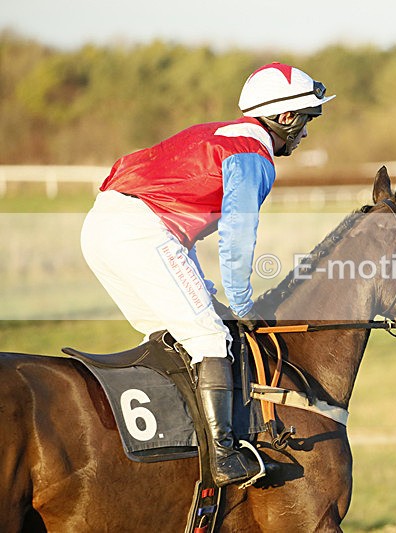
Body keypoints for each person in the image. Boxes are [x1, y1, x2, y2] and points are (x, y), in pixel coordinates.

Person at [81, 62, 335, 486]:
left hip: (104, 226)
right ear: (286, 117)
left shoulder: (217, 132)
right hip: (141, 232)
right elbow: (237, 238)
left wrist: (210, 294)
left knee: (173, 333)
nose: (307, 133)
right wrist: (240, 301)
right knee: (210, 337)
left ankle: (176, 447)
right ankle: (224, 456)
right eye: (307, 120)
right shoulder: (254, 158)